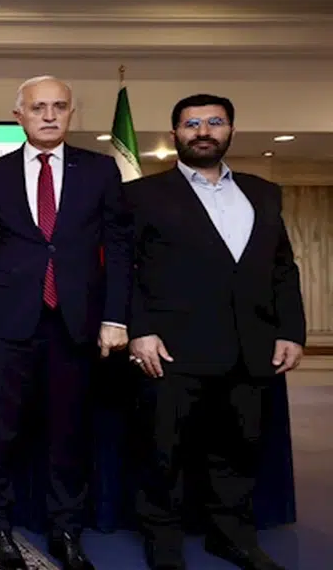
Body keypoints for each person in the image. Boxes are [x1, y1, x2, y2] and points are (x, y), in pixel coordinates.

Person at [128, 94, 302, 570]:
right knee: (164, 452)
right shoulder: (142, 194)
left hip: (251, 347)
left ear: (230, 131)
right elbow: (125, 270)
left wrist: (291, 331)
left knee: (239, 449)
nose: (203, 131)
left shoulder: (264, 192)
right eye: (192, 124)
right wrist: (139, 330)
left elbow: (283, 269)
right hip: (171, 349)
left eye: (214, 122)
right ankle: (163, 543)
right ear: (174, 134)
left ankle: (231, 537)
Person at [0, 76, 132, 570]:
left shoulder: (100, 170)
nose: (50, 115)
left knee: (69, 434)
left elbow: (119, 248)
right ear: (19, 115)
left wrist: (115, 316)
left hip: (75, 324)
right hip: (8, 324)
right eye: (39, 107)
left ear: (71, 113)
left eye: (59, 106)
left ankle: (66, 530)